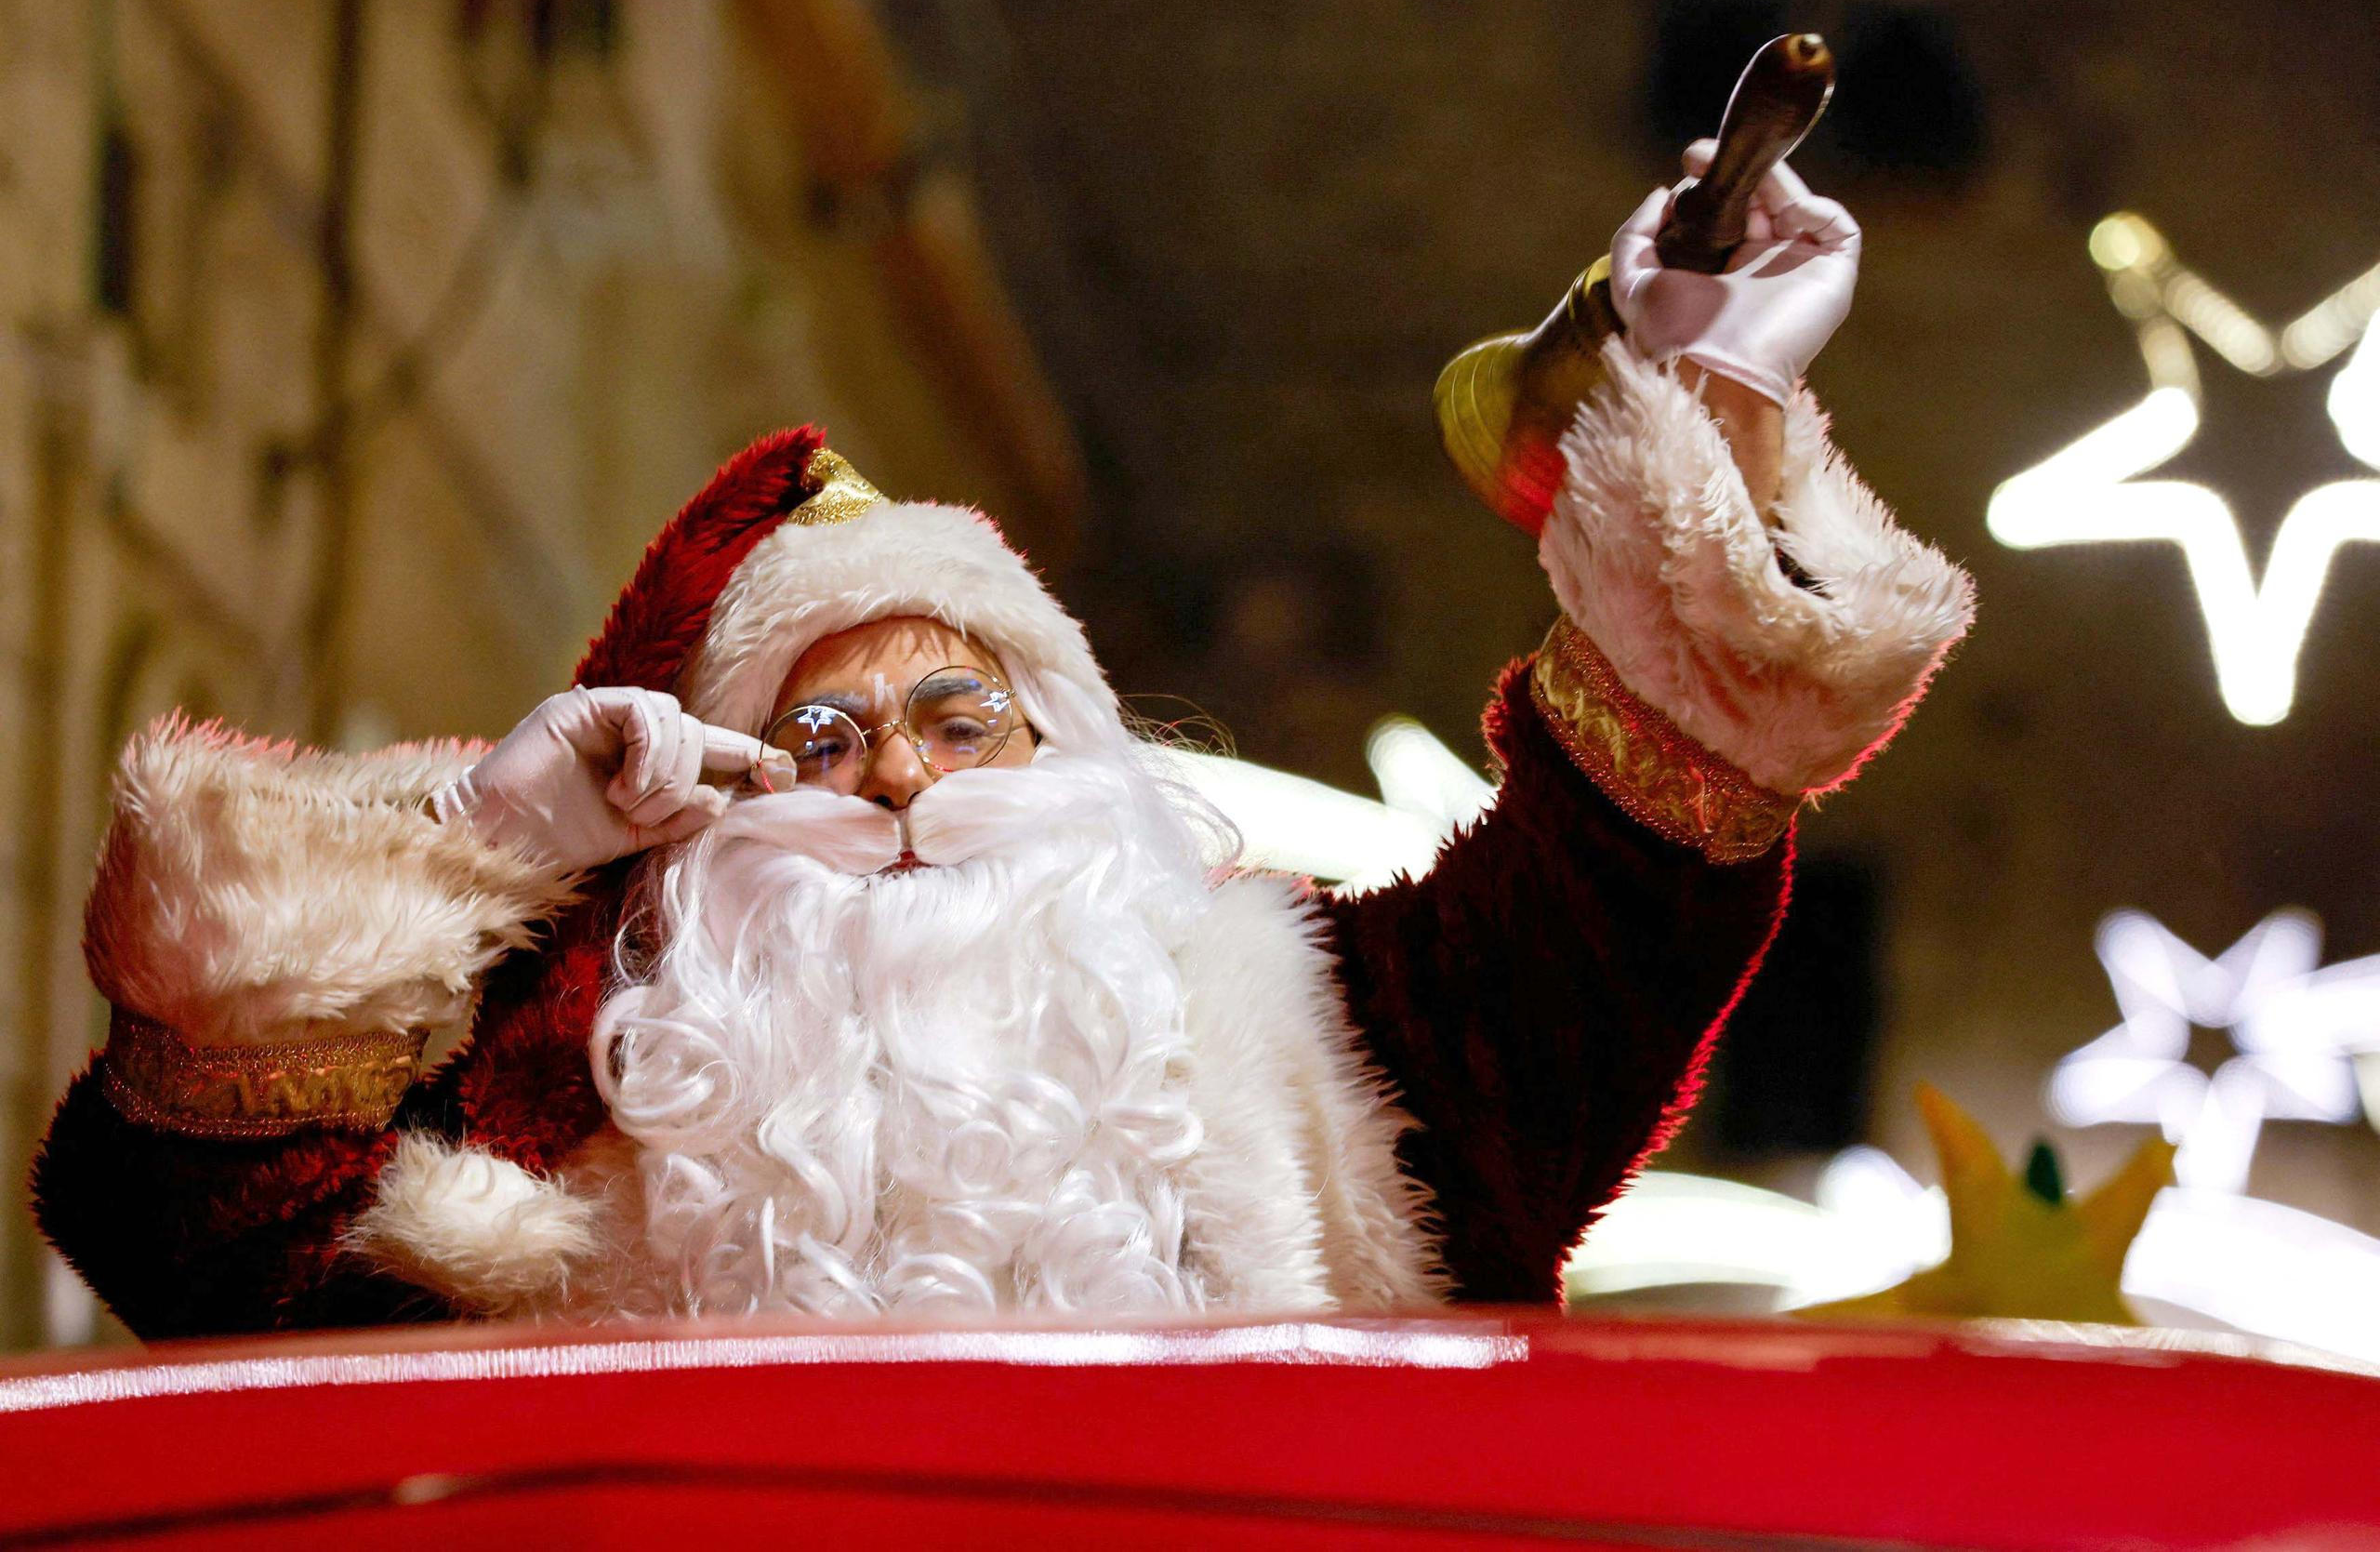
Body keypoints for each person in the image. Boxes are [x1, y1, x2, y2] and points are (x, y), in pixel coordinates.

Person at [33, 153, 1973, 1337]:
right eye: (817, 736)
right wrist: (493, 834)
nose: (897, 778)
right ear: (707, 827)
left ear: (1080, 765)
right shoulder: (585, 1139)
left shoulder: (1344, 1055)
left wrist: (1711, 404)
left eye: (966, 718)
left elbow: (1632, 873)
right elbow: (184, 1235)